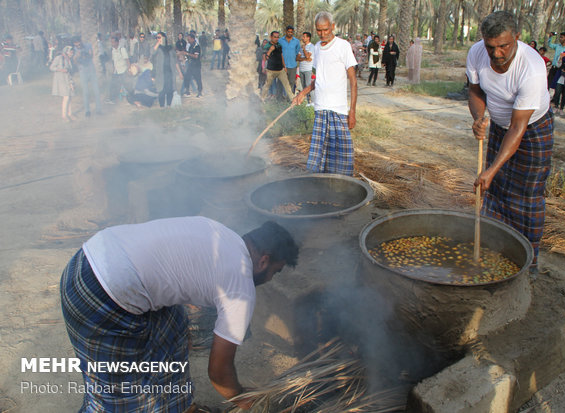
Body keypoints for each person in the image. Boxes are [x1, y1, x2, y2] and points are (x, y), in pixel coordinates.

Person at [60, 217, 299, 412]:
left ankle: (181, 407)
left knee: (175, 327)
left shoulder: (219, 231)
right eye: (275, 272)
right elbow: (218, 372)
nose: (270, 280)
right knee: (117, 397)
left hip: (90, 255)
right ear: (264, 261)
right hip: (103, 296)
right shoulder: (241, 288)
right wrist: (246, 400)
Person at [467, 11, 553, 273]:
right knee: (495, 193)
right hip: (500, 126)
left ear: (517, 37)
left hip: (532, 129)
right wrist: (479, 117)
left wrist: (491, 169)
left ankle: (528, 264)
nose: (496, 54)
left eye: (503, 46)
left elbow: (518, 127)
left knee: (526, 197)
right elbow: (475, 90)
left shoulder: (532, 69)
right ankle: (493, 251)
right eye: (490, 46)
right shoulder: (476, 53)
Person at [293, 11, 358, 176]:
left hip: (338, 109)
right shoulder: (316, 48)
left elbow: (353, 81)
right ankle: (320, 184)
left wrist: (352, 111)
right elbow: (318, 79)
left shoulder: (343, 46)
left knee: (342, 153)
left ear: (333, 26)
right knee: (319, 155)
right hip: (320, 108)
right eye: (319, 30)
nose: (322, 34)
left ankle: (342, 185)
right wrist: (303, 93)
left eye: (326, 29)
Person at [73, 35, 102, 117]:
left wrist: (88, 54)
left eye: (79, 44)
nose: (78, 46)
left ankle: (98, 109)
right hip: (83, 71)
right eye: (76, 45)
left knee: (96, 90)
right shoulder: (75, 49)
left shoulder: (88, 45)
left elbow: (91, 56)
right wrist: (76, 57)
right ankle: (87, 111)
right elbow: (76, 63)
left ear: (80, 41)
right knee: (85, 92)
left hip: (91, 69)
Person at [261, 31, 294, 102]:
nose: (276, 38)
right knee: (267, 85)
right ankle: (262, 99)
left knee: (287, 85)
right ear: (271, 37)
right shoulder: (267, 46)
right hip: (271, 70)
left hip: (280, 70)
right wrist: (270, 50)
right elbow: (265, 58)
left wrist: (284, 66)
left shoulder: (279, 45)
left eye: (277, 37)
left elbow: (281, 55)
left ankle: (293, 100)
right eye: (275, 37)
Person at [152, 32, 183, 108]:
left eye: (159, 37)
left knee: (170, 90)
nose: (158, 39)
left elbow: (175, 61)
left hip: (170, 73)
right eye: (157, 37)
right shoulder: (157, 48)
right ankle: (162, 107)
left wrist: (180, 72)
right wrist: (158, 43)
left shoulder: (170, 48)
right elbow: (152, 53)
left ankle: (168, 106)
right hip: (160, 74)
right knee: (161, 90)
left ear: (164, 38)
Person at [49, 45, 76, 122]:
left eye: (72, 52)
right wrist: (60, 70)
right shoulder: (59, 58)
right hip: (61, 80)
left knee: (70, 96)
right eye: (71, 52)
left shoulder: (69, 60)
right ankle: (64, 115)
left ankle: (70, 113)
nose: (72, 53)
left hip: (68, 80)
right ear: (67, 52)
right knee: (66, 97)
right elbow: (51, 67)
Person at [107, 36, 130, 104]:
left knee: (125, 86)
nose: (112, 43)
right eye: (111, 42)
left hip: (123, 70)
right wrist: (113, 70)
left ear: (117, 42)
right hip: (116, 71)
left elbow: (127, 60)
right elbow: (114, 61)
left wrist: (128, 69)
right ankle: (112, 99)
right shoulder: (113, 50)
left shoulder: (122, 49)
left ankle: (128, 100)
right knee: (113, 85)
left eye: (113, 42)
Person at [279, 25, 301, 93]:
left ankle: (290, 98)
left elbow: (297, 52)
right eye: (288, 32)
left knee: (291, 82)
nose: (290, 33)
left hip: (292, 65)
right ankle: (281, 98)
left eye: (291, 32)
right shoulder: (280, 41)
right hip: (282, 65)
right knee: (281, 82)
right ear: (286, 31)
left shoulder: (296, 41)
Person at [181, 33, 203, 98]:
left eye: (189, 39)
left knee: (198, 79)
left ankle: (199, 92)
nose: (188, 40)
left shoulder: (197, 46)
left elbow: (196, 56)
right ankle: (187, 91)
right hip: (191, 65)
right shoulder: (190, 46)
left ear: (193, 39)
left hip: (196, 65)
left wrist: (187, 53)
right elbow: (189, 55)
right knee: (187, 77)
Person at [297, 32, 315, 102]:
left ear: (308, 38)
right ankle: (308, 101)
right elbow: (297, 58)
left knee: (309, 86)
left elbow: (308, 56)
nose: (303, 38)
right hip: (302, 69)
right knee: (304, 86)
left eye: (304, 37)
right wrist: (305, 59)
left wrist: (304, 50)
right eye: (303, 37)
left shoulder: (311, 47)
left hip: (308, 69)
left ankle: (313, 101)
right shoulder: (301, 47)